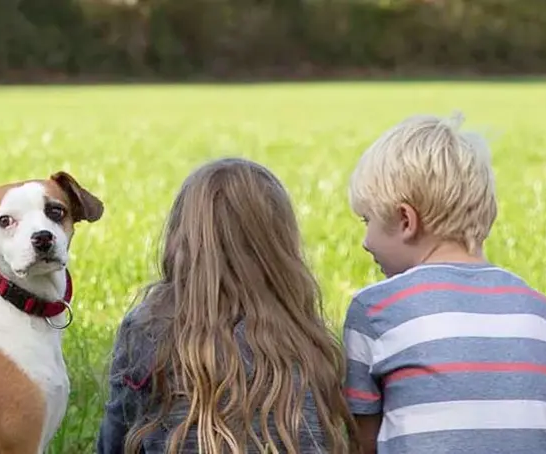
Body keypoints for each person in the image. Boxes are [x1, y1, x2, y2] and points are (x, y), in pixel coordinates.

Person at [340, 113, 546, 454]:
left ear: (405, 220)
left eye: (366, 220)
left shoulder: (375, 312)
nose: (365, 242)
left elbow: (360, 445)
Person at [96, 158, 356, 454]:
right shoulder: (306, 334)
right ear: (280, 244)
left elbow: (114, 442)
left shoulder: (148, 327)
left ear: (181, 240)